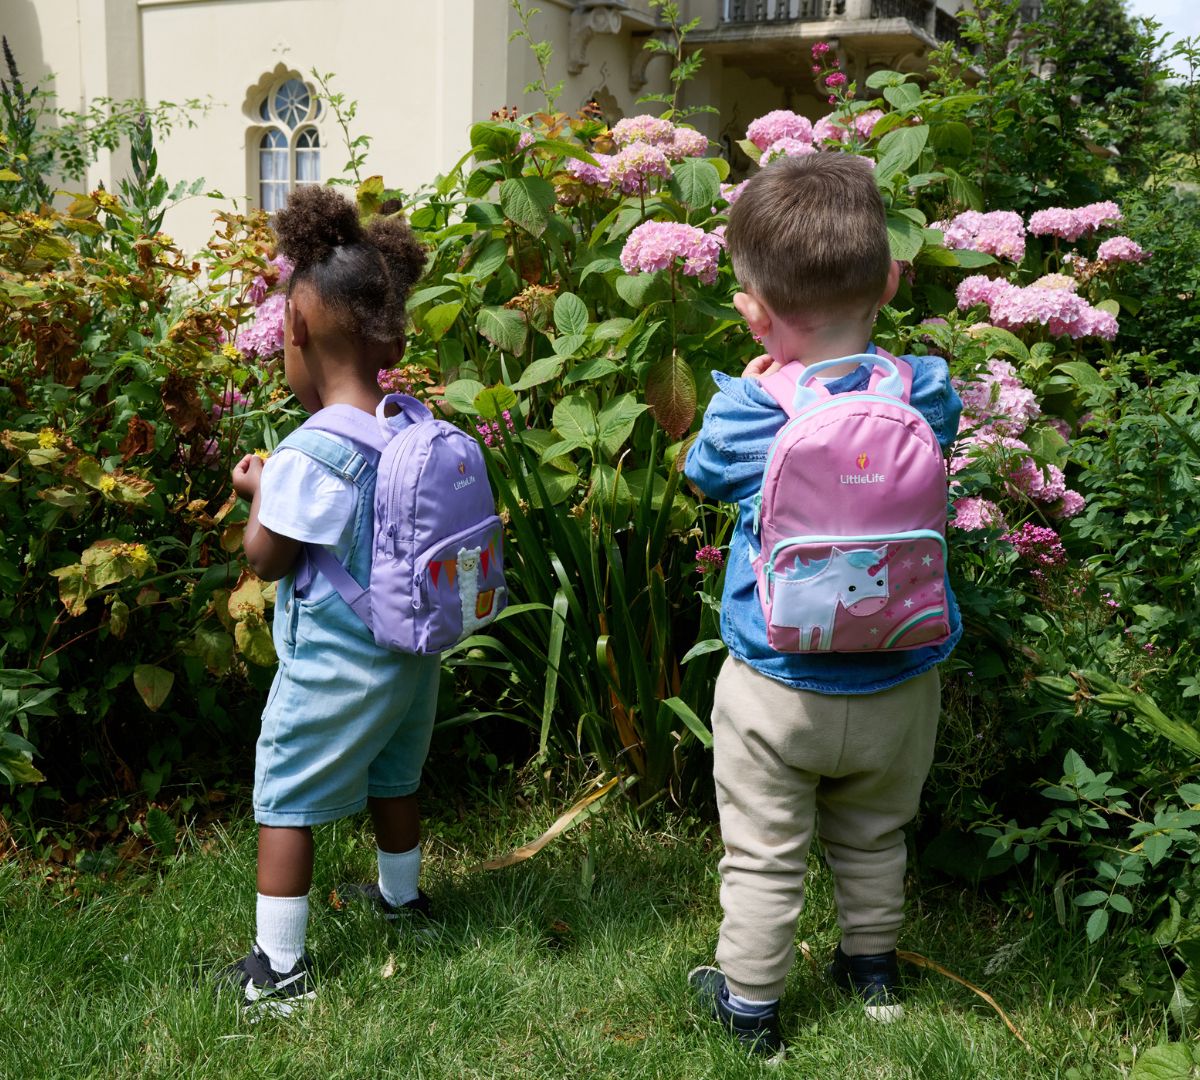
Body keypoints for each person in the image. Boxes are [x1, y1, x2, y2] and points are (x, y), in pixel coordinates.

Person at [683, 153, 963, 1058]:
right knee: (875, 834)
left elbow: (703, 473)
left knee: (764, 851)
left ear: (754, 312)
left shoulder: (748, 411)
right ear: (889, 282)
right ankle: (871, 969)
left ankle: (750, 1004)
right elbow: (941, 435)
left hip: (777, 682)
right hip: (900, 674)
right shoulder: (924, 391)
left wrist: (762, 379)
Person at [222, 185, 436, 1014]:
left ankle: (279, 969)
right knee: (394, 778)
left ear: (297, 330)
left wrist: (259, 493)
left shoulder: (310, 453)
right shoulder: (407, 424)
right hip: (410, 658)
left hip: (336, 663)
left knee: (284, 793)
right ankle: (403, 900)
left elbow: (269, 559)